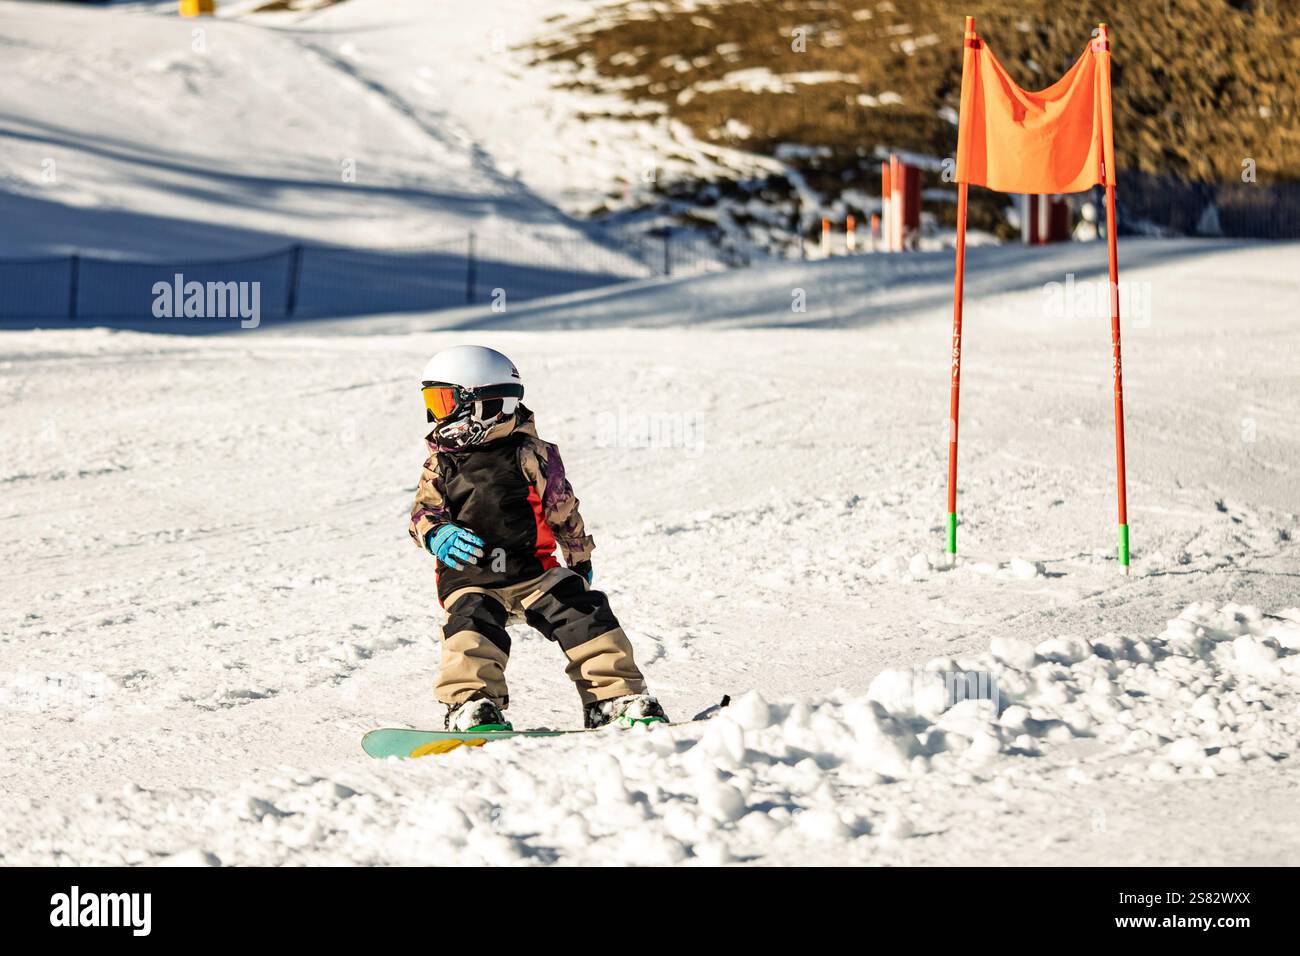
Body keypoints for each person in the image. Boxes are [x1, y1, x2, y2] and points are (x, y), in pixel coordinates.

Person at [408, 345, 668, 732]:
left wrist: (579, 560)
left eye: (445, 401)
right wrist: (437, 532)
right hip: (471, 578)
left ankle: (614, 697)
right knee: (470, 626)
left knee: (584, 610)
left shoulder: (533, 455)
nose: (436, 415)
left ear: (486, 404)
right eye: (434, 402)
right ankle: (471, 704)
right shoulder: (441, 464)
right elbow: (422, 514)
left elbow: (562, 509)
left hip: (534, 573)